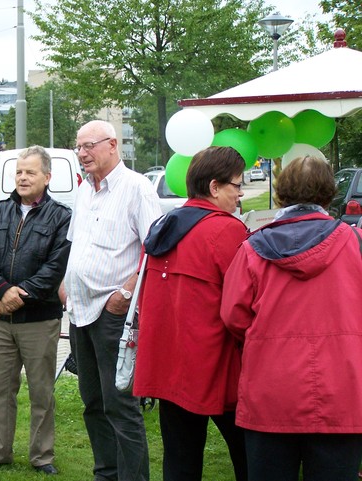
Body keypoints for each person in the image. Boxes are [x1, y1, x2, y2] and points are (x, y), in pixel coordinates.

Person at [221, 155, 362, 481]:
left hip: (271, 390)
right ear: (328, 193)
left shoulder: (252, 249)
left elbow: (233, 315)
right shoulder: (355, 244)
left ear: (282, 194)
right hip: (341, 389)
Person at [133, 146, 248, 481]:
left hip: (169, 366)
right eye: (236, 185)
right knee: (251, 458)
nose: (240, 194)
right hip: (218, 367)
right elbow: (242, 306)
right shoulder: (226, 230)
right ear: (214, 187)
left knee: (180, 462)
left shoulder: (164, 224)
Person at [61, 120, 161, 481]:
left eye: (89, 146)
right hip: (79, 311)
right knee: (93, 402)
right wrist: (65, 283)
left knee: (120, 406)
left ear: (113, 145)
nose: (82, 154)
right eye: (79, 148)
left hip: (114, 313)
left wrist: (125, 293)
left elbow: (156, 251)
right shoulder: (84, 190)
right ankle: (106, 474)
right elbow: (77, 243)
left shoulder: (137, 188)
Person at [0, 145, 72, 476]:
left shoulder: (62, 217)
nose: (23, 178)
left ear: (47, 177)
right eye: (19, 172)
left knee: (41, 391)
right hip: (0, 318)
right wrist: (2, 290)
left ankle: (42, 456)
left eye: (30, 172)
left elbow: (56, 268)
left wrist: (20, 294)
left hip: (39, 320)